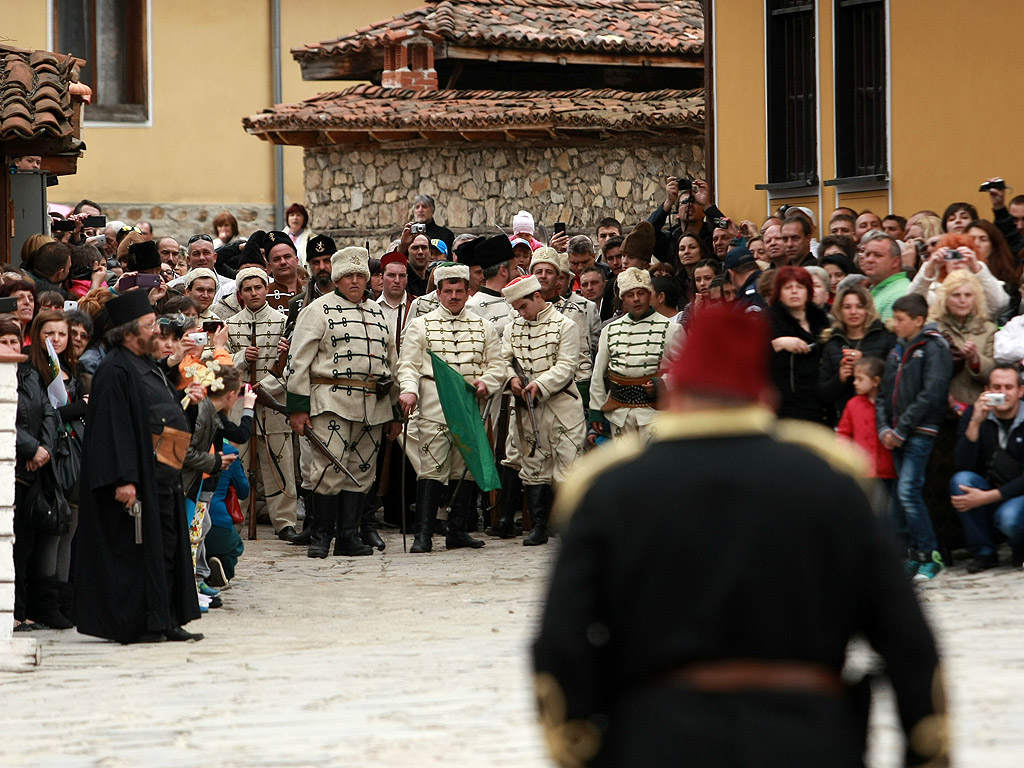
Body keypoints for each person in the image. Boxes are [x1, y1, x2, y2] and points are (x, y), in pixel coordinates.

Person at [533, 302, 948, 768]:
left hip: (659, 739)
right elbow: (906, 637)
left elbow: (560, 642)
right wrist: (924, 751)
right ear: (764, 394)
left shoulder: (610, 488)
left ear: (676, 391)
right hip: (806, 739)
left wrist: (585, 751)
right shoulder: (828, 481)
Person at [75, 290, 204, 643]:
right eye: (150, 326)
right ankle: (144, 623)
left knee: (167, 549)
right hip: (139, 478)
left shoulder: (146, 364)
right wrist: (124, 479)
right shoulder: (114, 370)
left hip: (164, 474)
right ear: (129, 332)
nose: (156, 332)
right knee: (142, 552)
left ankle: (167, 618)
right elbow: (111, 429)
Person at [287, 247, 399, 558]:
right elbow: (298, 362)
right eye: (348, 276)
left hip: (373, 406)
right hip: (331, 402)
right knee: (328, 469)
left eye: (360, 276)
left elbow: (392, 362)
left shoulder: (377, 313)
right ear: (337, 279)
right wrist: (298, 408)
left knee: (362, 471)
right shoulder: (318, 310)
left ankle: (349, 537)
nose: (354, 281)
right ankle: (321, 537)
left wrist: (395, 411)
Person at [397, 262, 505, 553]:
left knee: (464, 469)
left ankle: (457, 531)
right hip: (434, 402)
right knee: (431, 469)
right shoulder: (421, 325)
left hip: (469, 404)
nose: (454, 296)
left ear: (468, 292)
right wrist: (409, 391)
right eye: (448, 291)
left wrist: (487, 382)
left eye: (459, 291)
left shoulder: (484, 327)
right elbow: (407, 365)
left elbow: (498, 366)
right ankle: (423, 534)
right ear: (439, 293)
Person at [498, 275, 586, 545]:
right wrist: (511, 379)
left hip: (561, 406)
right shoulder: (513, 327)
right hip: (527, 408)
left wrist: (540, 383)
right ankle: (539, 526)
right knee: (534, 466)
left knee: (568, 467)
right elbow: (503, 359)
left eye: (522, 306)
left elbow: (567, 365)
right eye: (516, 308)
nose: (519, 313)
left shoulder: (565, 325)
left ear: (537, 297)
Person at [878, 293, 954, 581]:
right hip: (895, 433)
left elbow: (933, 393)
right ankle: (912, 554)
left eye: (900, 320)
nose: (894, 324)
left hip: (919, 431)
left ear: (918, 321)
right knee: (900, 495)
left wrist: (902, 428)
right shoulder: (896, 349)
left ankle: (929, 555)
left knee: (909, 491)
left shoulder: (934, 346)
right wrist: (885, 428)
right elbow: (883, 394)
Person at [225, 266, 298, 542]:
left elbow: (292, 366)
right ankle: (235, 519)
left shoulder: (283, 322)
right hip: (238, 401)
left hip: (274, 403)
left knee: (279, 462)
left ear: (266, 289)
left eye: (258, 287)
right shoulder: (231, 325)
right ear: (240, 293)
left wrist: (267, 387)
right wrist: (242, 357)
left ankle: (285, 521)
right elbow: (221, 362)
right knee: (237, 462)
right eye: (248, 289)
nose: (254, 293)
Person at [10, 317, 61, 631]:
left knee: (26, 544)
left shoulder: (29, 374)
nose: (11, 348)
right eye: (3, 342)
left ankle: (22, 608)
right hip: (14, 466)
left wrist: (43, 449)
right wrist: (30, 448)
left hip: (32, 472)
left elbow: (48, 412)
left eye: (14, 342)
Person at [589, 267, 681, 442]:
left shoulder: (672, 329)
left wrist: (663, 383)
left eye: (641, 293)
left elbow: (687, 370)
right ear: (623, 299)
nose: (636, 299)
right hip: (619, 414)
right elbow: (598, 374)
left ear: (649, 295)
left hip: (656, 414)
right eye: (630, 295)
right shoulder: (610, 330)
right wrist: (596, 410)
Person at [950, 365, 1024, 573]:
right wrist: (975, 422)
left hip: (1018, 494)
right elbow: (962, 465)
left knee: (1008, 517)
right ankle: (984, 553)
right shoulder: (976, 414)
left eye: (1008, 387)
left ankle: (1020, 550)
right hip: (992, 485)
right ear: (986, 390)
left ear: (1020, 391)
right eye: (996, 387)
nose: (1002, 393)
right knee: (961, 480)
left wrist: (986, 497)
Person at [818, 283, 895, 418]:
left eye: (859, 306)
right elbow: (822, 393)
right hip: (843, 420)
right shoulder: (832, 342)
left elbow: (895, 380)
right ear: (839, 310)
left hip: (879, 418)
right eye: (847, 307)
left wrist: (865, 362)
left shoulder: (886, 337)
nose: (853, 312)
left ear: (868, 309)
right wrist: (840, 378)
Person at [768, 266, 831, 424]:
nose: (794, 291)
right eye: (788, 287)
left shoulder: (824, 322)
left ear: (808, 291)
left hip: (822, 405)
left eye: (800, 287)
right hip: (785, 408)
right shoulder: (768, 321)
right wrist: (777, 344)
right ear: (779, 293)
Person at [836, 357, 896, 513]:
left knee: (885, 512)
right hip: (861, 470)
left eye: (860, 379)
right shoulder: (853, 404)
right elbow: (843, 433)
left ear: (876, 381)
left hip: (887, 470)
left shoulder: (890, 406)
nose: (854, 383)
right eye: (854, 378)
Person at [930, 269, 996, 410]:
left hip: (977, 409)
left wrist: (975, 360)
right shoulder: (933, 327)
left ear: (976, 298)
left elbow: (994, 373)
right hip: (940, 409)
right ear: (944, 299)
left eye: (968, 295)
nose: (962, 300)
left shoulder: (989, 329)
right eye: (956, 295)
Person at [859, 230, 910, 321]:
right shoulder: (874, 288)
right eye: (867, 254)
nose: (869, 259)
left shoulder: (899, 294)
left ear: (895, 261)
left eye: (877, 255)